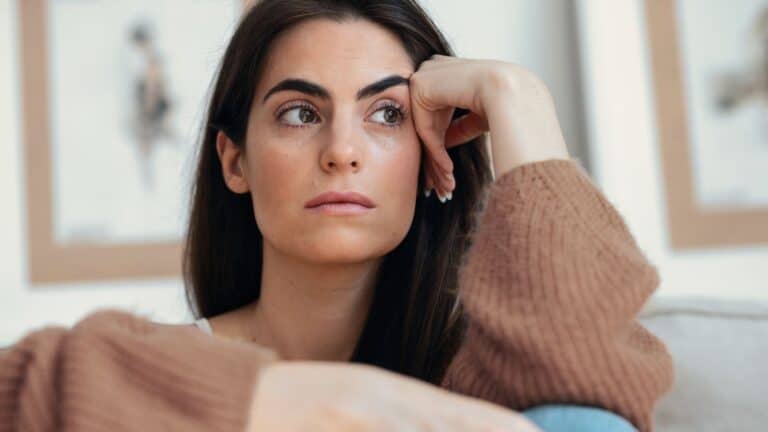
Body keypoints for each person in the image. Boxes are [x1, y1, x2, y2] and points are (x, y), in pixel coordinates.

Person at [0, 1, 673, 431]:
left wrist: (517, 98)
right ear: (235, 162)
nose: (342, 153)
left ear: (428, 152)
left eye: (388, 115)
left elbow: (587, 393)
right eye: (301, 113)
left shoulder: (484, 375)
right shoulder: (148, 387)